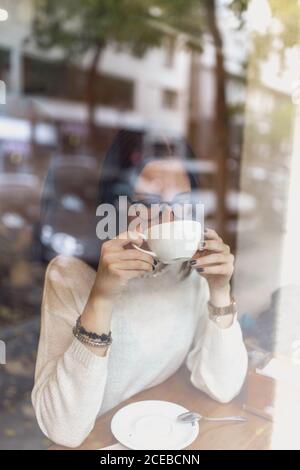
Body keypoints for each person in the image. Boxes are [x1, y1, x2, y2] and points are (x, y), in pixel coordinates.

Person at [32, 131, 248, 447]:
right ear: (115, 204)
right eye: (149, 203)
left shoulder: (190, 269)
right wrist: (102, 297)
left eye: (182, 203)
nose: (169, 217)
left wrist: (219, 291)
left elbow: (223, 386)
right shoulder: (71, 274)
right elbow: (63, 429)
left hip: (164, 432)